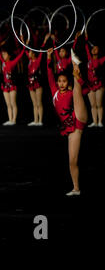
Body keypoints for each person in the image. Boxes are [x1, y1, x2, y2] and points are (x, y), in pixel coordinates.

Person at [47, 48, 88, 196]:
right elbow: (50, 74)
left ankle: (75, 63)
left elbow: (85, 89)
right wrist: (48, 57)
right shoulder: (55, 92)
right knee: (72, 160)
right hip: (71, 128)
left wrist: (79, 79)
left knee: (76, 89)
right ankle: (76, 188)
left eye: (64, 81)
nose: (62, 84)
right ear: (57, 83)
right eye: (60, 81)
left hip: (78, 118)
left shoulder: (70, 92)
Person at [84, 36, 105, 127]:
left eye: (96, 49)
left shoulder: (101, 60)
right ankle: (94, 122)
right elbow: (86, 46)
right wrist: (86, 37)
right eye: (93, 48)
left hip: (99, 84)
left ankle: (100, 122)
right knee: (93, 105)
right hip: (90, 85)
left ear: (99, 50)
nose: (94, 50)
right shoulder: (89, 58)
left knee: (99, 104)